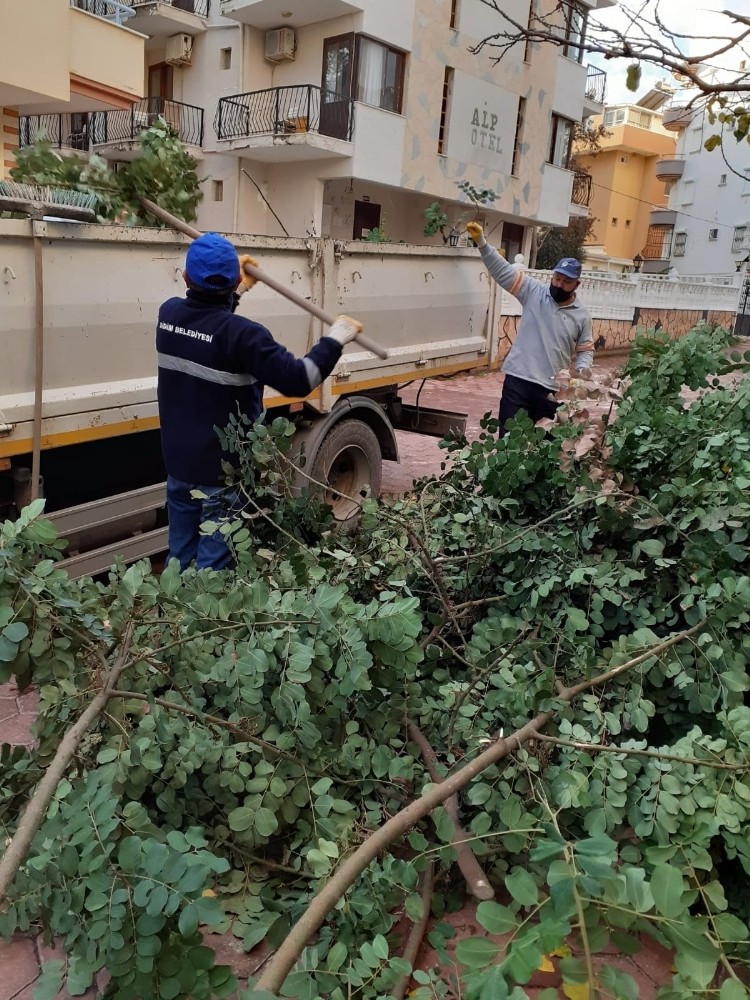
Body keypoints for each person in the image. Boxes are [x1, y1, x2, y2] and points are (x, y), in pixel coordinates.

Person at [156, 231, 362, 571]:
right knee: (212, 569)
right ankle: (203, 622)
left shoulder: (168, 316)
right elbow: (301, 378)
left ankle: (174, 619)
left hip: (179, 466)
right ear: (234, 277)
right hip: (221, 476)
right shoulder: (245, 336)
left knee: (180, 557)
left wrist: (235, 291)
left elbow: (208, 329)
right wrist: (336, 339)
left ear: (185, 277)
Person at [466, 222, 594, 434]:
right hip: (518, 382)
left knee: (544, 452)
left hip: (553, 392)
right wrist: (481, 242)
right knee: (509, 446)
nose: (559, 285)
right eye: (557, 278)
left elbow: (585, 351)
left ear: (577, 285)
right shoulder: (534, 292)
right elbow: (503, 272)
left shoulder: (582, 315)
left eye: (566, 282)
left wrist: (579, 378)